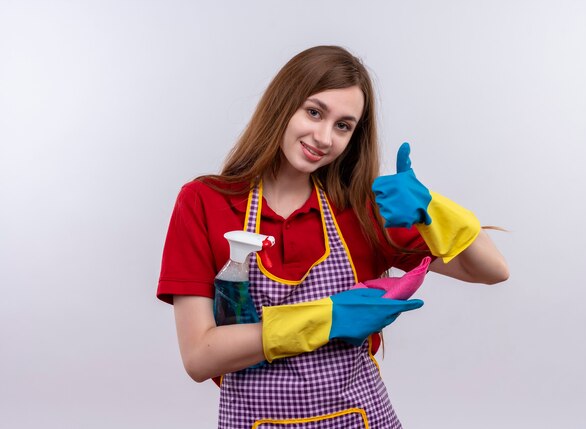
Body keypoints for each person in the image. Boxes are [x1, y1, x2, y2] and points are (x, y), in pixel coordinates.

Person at [157, 45, 509, 429]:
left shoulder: (360, 209)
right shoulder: (206, 202)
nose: (324, 137)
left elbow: (491, 270)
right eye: (314, 112)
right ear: (283, 104)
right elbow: (199, 356)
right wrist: (327, 319)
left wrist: (433, 209)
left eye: (343, 125)